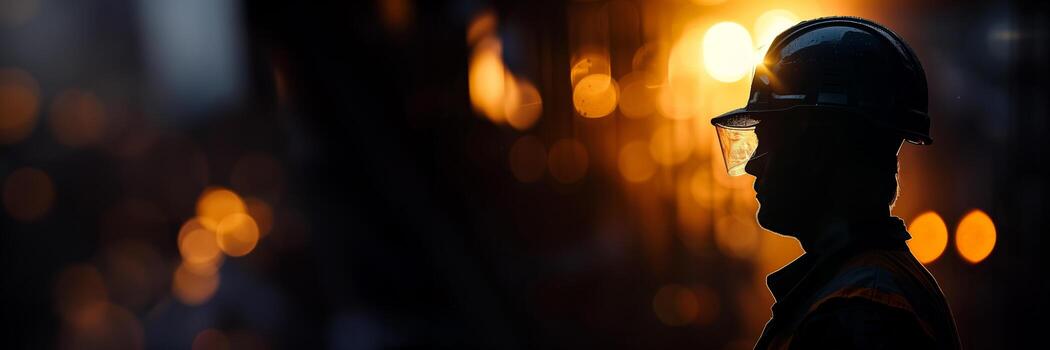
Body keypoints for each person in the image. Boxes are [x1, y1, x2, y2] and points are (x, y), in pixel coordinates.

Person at [710, 17, 962, 349]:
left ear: (823, 149)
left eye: (770, 142)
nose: (755, 165)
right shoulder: (855, 292)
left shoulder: (862, 311)